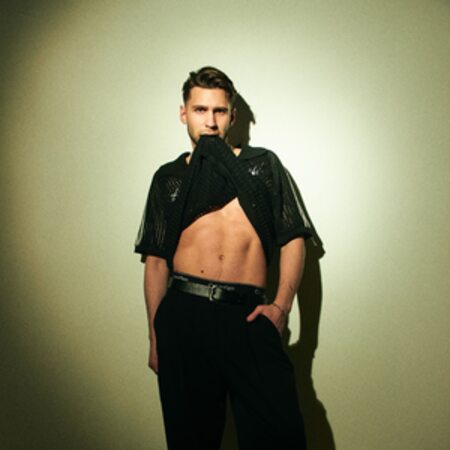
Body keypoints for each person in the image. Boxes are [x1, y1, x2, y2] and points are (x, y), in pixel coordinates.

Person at [135, 66, 312, 450]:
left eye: (219, 111)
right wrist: (155, 336)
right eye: (200, 110)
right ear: (184, 113)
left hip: (248, 316)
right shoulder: (169, 178)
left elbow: (293, 238)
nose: (210, 122)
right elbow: (156, 262)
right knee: (190, 441)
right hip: (185, 317)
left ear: (232, 115)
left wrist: (281, 307)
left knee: (281, 437)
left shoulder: (262, 166)